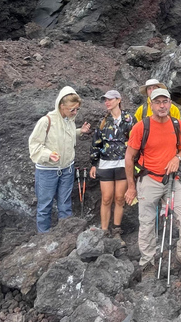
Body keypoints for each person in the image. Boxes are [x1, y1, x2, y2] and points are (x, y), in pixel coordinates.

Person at [124, 88, 181, 273]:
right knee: (148, 222)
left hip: (172, 180)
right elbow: (129, 157)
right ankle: (147, 261)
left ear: (170, 103)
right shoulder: (142, 127)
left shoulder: (176, 124)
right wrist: (131, 187)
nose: (162, 105)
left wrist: (177, 158)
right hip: (148, 179)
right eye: (157, 102)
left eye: (165, 101)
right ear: (151, 105)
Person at [29, 86, 91, 233]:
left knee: (65, 204)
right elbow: (34, 145)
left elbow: (64, 137)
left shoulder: (69, 121)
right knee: (45, 206)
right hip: (47, 171)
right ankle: (43, 238)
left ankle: (65, 236)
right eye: (72, 109)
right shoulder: (46, 121)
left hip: (67, 169)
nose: (75, 113)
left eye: (77, 109)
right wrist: (48, 154)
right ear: (61, 106)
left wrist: (79, 132)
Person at [89, 90, 134, 242]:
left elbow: (135, 140)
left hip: (123, 163)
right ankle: (103, 230)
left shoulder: (129, 119)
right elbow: (96, 143)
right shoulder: (103, 122)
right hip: (105, 164)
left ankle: (116, 230)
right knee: (106, 198)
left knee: (120, 198)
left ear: (118, 100)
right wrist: (94, 163)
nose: (107, 102)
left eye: (110, 99)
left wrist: (136, 162)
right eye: (105, 100)